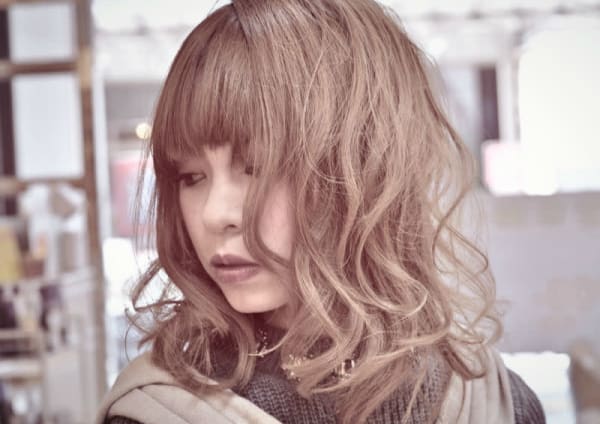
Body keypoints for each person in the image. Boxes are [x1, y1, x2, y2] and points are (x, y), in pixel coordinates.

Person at [97, 0, 545, 423]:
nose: (214, 214)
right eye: (191, 177)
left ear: (365, 170)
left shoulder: (489, 400)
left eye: (256, 168)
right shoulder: (158, 410)